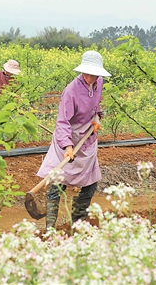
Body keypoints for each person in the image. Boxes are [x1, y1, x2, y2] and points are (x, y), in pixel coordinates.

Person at [35, 50, 111, 230]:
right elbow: (62, 121)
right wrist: (67, 146)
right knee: (58, 182)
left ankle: (77, 223)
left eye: (94, 74)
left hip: (87, 138)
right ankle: (50, 230)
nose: (90, 77)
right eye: (87, 73)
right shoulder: (71, 91)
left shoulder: (99, 82)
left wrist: (97, 117)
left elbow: (96, 104)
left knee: (91, 184)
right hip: (67, 137)